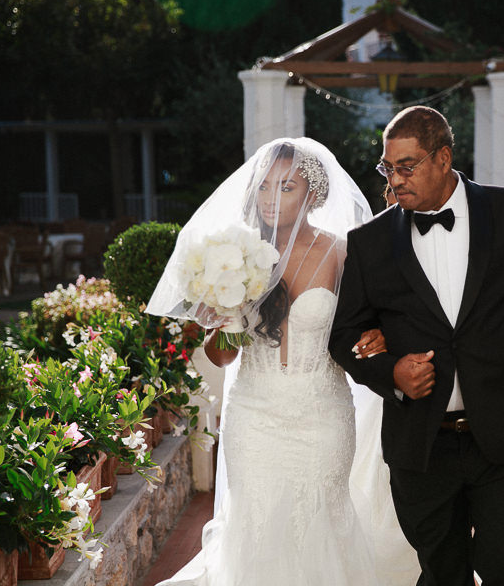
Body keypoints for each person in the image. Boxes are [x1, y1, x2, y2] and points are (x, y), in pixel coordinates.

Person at [146, 137, 418, 585]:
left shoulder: (344, 253)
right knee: (256, 519)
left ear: (313, 194)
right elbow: (221, 355)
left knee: (320, 517)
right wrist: (229, 320)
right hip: (253, 413)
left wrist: (379, 335)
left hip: (323, 413)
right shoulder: (234, 254)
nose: (272, 198)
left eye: (286, 187)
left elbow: (371, 324)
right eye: (265, 186)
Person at [330, 106, 504, 586]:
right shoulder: (369, 242)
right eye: (387, 167)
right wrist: (391, 373)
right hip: (421, 445)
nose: (394, 179)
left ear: (443, 158)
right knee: (443, 575)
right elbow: (343, 335)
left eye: (407, 166)